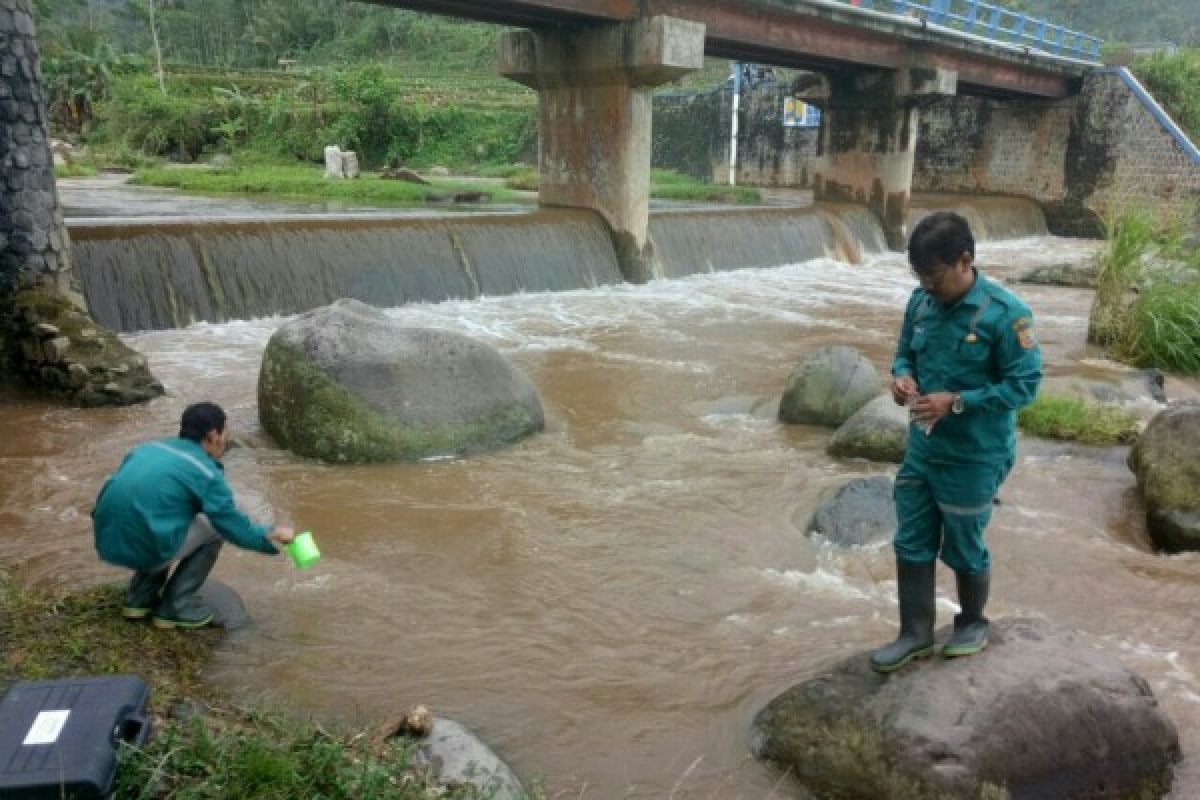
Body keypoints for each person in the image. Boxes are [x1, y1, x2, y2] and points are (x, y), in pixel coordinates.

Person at [871, 212, 1042, 673]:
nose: (927, 284)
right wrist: (901, 377)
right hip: (923, 448)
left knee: (964, 540)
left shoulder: (1006, 317)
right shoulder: (920, 304)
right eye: (920, 275)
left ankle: (972, 622)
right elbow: (904, 352)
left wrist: (959, 403)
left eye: (935, 275)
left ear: (965, 260)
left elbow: (1025, 386)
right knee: (911, 539)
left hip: (974, 454)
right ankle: (915, 633)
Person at [93, 402, 295, 629]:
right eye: (225, 432)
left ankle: (138, 599)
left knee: (159, 516)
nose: (227, 439)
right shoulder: (204, 471)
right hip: (147, 548)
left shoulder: (146, 449)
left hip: (108, 541)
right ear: (213, 435)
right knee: (213, 530)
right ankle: (176, 607)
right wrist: (271, 534)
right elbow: (230, 525)